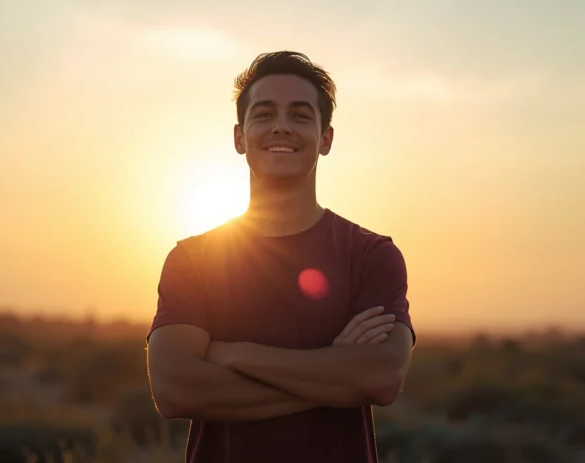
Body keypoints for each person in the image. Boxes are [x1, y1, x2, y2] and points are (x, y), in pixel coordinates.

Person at [146, 51, 416, 463]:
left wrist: (234, 354)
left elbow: (381, 378)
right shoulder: (193, 260)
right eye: (265, 113)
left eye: (301, 115)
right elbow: (174, 389)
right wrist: (336, 373)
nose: (282, 127)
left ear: (326, 138)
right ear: (239, 137)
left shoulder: (372, 255)